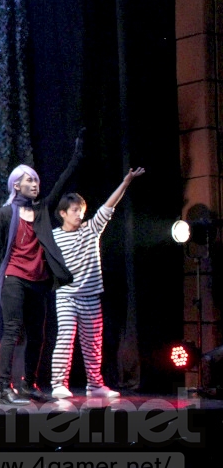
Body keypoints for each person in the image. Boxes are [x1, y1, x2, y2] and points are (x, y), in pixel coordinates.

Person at [0, 130, 84, 406]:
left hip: (38, 280)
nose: (35, 184)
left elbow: (62, 183)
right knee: (12, 330)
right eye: (29, 180)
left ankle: (29, 384)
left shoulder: (41, 211)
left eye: (36, 180)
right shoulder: (4, 214)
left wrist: (77, 155)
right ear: (16, 185)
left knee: (38, 335)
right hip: (14, 277)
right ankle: (4, 387)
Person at [50, 167, 145, 400]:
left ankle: (95, 384)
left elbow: (108, 207)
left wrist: (126, 182)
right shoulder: (53, 236)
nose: (79, 215)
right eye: (75, 210)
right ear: (63, 213)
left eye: (81, 211)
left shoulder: (91, 230)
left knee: (93, 342)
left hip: (91, 296)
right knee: (65, 338)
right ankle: (58, 383)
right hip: (66, 296)